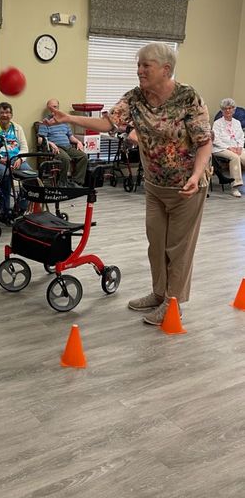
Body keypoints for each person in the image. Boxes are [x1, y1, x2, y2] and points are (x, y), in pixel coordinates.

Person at [45, 43, 212, 326]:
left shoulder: (187, 97)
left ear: (166, 69)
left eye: (146, 65)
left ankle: (173, 304)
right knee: (156, 245)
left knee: (178, 248)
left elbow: (205, 142)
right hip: (155, 185)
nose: (140, 71)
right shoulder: (135, 98)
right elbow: (108, 123)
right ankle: (159, 293)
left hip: (188, 188)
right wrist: (68, 118)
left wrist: (196, 176)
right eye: (139, 65)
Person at [0, 102, 33, 223]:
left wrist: (20, 159)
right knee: (6, 176)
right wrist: (1, 158)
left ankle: (21, 206)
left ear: (11, 114)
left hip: (16, 160)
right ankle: (4, 210)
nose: (5, 115)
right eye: (2, 112)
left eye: (7, 112)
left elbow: (24, 147)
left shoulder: (17, 128)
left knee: (31, 176)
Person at [37, 98, 88, 187]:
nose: (52, 109)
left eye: (55, 107)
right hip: (56, 148)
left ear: (58, 108)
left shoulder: (64, 121)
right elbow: (40, 140)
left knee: (83, 156)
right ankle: (62, 183)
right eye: (50, 107)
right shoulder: (45, 122)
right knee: (65, 158)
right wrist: (50, 143)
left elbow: (70, 137)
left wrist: (78, 141)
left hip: (67, 147)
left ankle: (76, 182)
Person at [212, 98, 245, 198]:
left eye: (230, 108)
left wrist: (239, 147)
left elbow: (241, 137)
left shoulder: (237, 123)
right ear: (222, 110)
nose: (228, 111)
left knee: (242, 156)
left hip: (237, 148)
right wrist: (229, 147)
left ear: (233, 110)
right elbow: (215, 139)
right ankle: (235, 187)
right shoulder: (217, 123)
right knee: (235, 157)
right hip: (220, 148)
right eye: (225, 109)